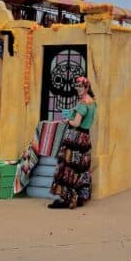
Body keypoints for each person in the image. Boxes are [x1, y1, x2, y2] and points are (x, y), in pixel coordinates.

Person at [49, 76, 96, 209]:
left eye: (81, 87)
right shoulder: (92, 102)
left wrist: (66, 120)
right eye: (77, 87)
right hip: (85, 138)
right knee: (81, 168)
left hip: (76, 138)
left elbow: (76, 122)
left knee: (69, 168)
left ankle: (67, 199)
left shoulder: (82, 103)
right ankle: (80, 197)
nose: (78, 90)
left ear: (87, 87)